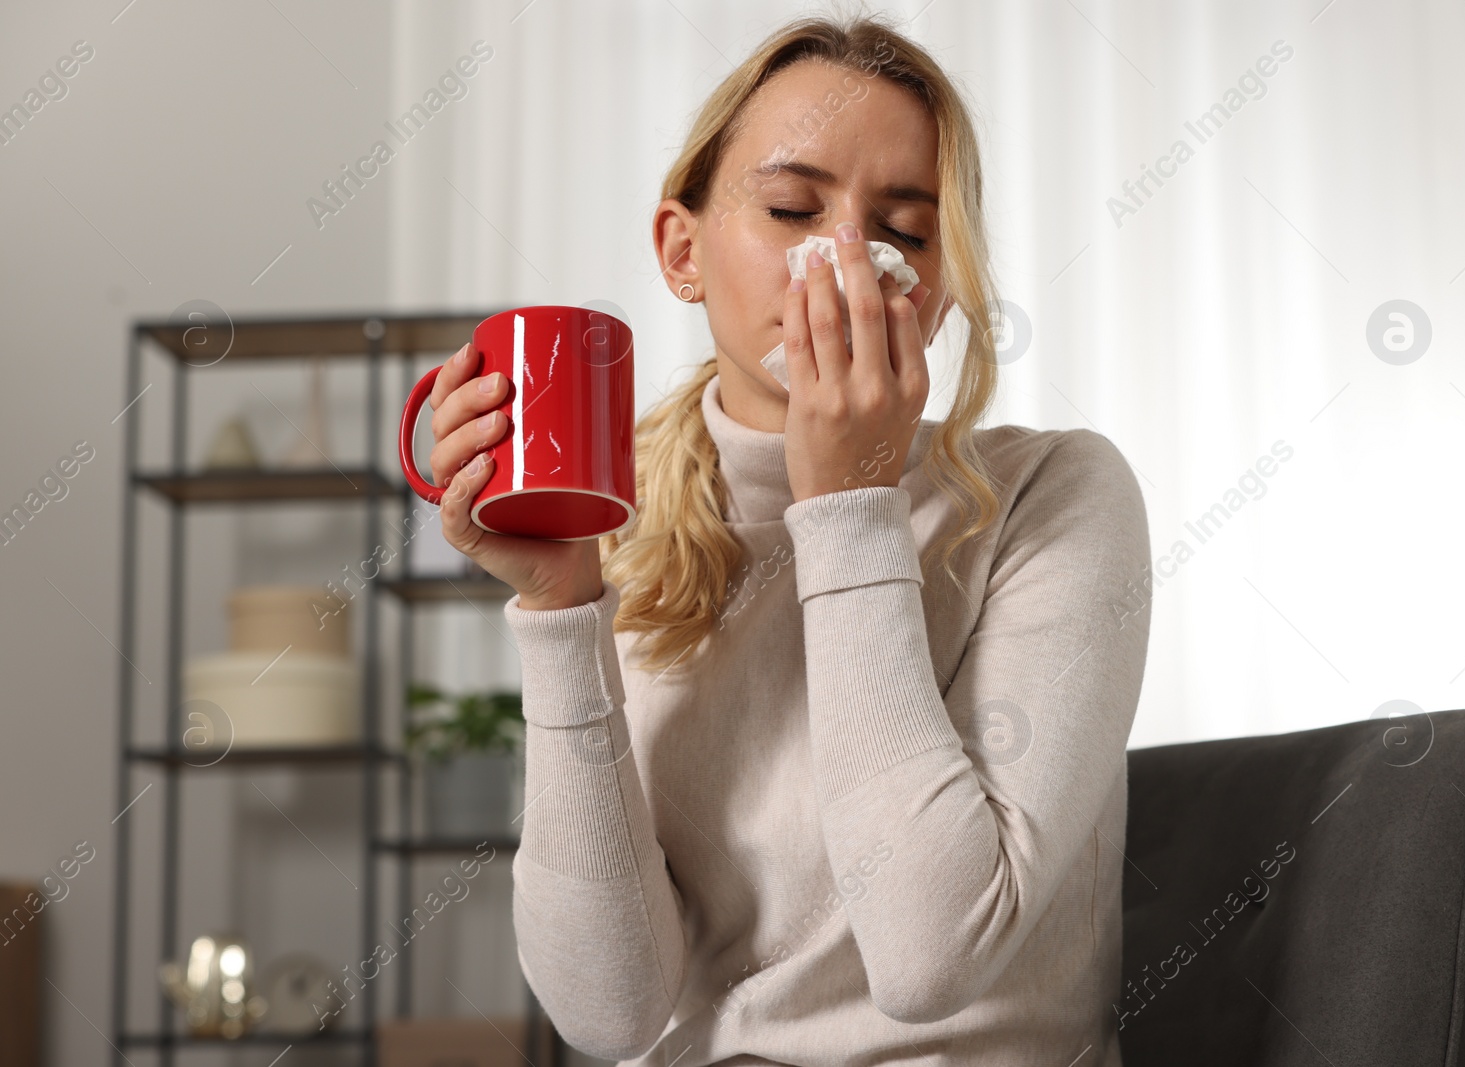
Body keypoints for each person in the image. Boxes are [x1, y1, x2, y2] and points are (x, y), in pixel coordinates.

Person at [426, 12, 1151, 1066]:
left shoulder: (1054, 497)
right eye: (789, 207)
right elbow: (609, 1010)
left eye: (902, 231)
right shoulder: (622, 527)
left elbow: (927, 957)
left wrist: (850, 505)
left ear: (938, 290)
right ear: (682, 250)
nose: (843, 256)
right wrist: (559, 606)